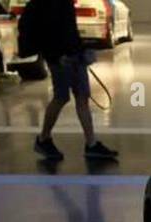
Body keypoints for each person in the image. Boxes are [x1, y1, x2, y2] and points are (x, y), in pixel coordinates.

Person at [31, 0, 118, 162]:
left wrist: (80, 49)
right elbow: (49, 28)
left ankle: (91, 144)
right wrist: (57, 55)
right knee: (61, 96)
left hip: (73, 54)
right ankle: (43, 139)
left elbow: (67, 28)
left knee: (82, 97)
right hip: (61, 57)